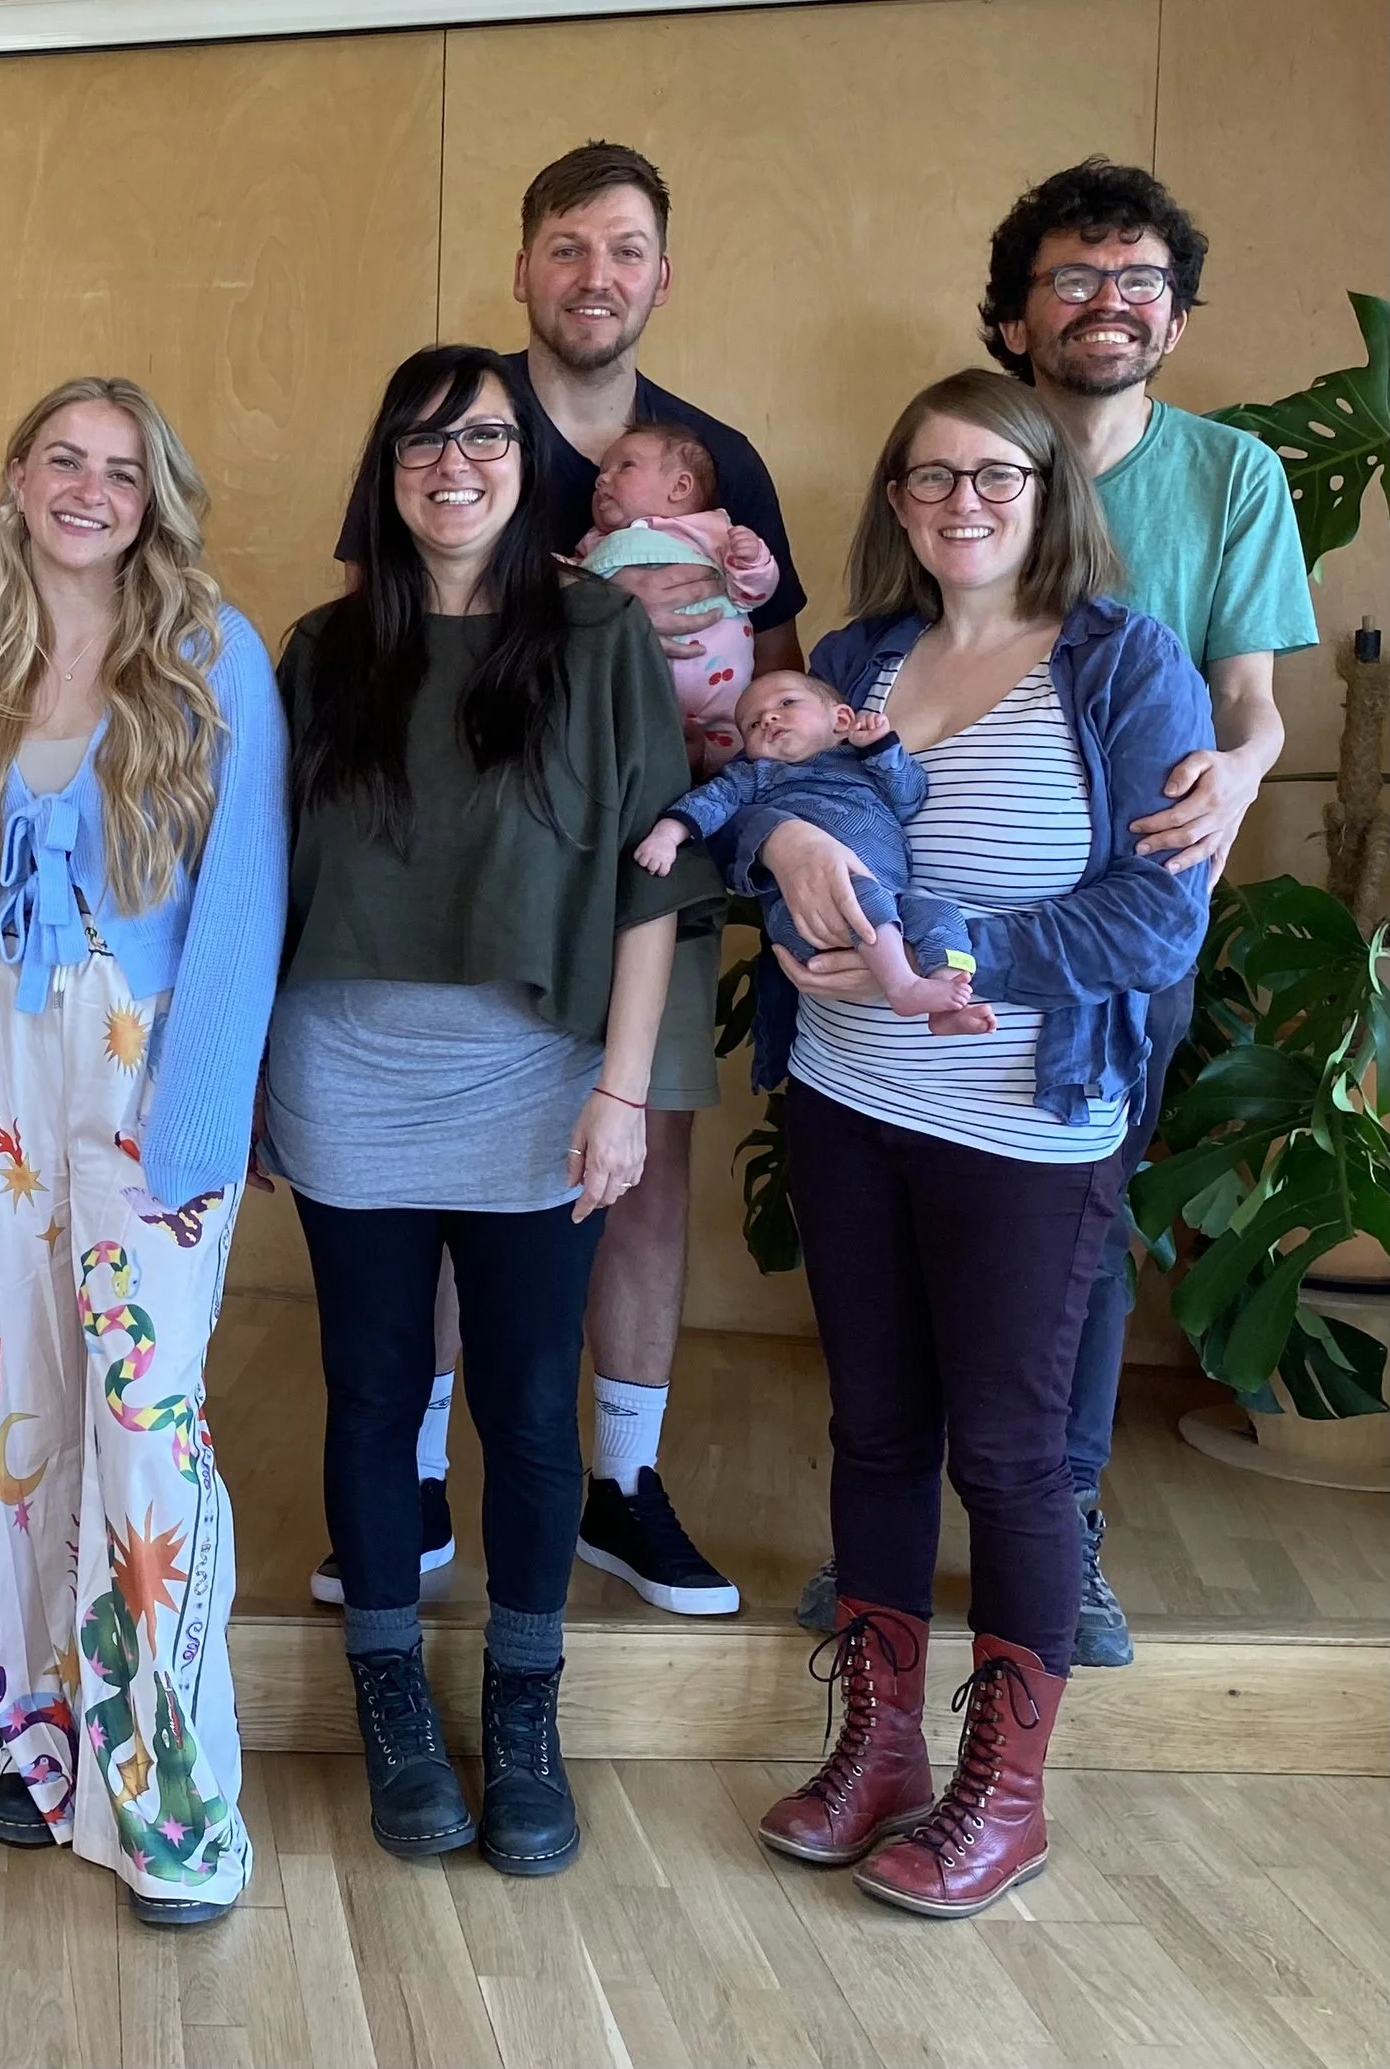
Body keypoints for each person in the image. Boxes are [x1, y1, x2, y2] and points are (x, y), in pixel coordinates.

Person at [793, 160, 1318, 1664]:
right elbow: (821, 771)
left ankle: (1056, 1533)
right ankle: (889, 1639)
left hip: (1111, 946)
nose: (1110, 304)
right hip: (876, 1053)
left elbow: (1248, 708)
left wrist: (1232, 785)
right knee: (894, 1380)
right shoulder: (880, 629)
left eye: (1142, 280)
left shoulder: (1213, 499)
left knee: (1064, 1263)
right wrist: (795, 859)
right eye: (1076, 278)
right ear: (1017, 317)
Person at [743, 370, 1209, 1920]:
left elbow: (1157, 918)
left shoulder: (1127, 666)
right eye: (932, 478)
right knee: (876, 1431)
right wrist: (788, 851)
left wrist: (968, 963)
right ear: (895, 501)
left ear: (1046, 494)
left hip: (1029, 1126)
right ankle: (877, 1753)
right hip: (849, 1101)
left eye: (996, 477)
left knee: (1010, 1456)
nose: (964, 504)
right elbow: (776, 815)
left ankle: (1002, 1797)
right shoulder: (863, 654)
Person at [317, 141, 802, 1617]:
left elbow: (777, 685)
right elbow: (373, 646)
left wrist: (706, 790)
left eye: (628, 250)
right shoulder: (454, 418)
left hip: (648, 866)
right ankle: (408, 1479)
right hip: (465, 897)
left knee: (633, 1182)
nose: (598, 276)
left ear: (665, 273)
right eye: (571, 248)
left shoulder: (718, 460)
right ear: (525, 266)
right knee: (462, 1182)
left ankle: (624, 1486)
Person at [272, 345, 721, 1875]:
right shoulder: (323, 652)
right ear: (384, 470)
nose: (451, 464)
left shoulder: (598, 634)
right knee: (374, 1394)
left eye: (481, 437)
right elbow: (256, 886)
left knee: (531, 1407)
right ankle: (393, 1698)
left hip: (538, 1080)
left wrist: (624, 1090)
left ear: (525, 464)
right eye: (419, 440)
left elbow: (651, 878)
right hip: (345, 1071)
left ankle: (523, 1707)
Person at [0, 376, 285, 1927]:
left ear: (157, 497)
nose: (88, 488)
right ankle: (38, 1734)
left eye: (122, 469)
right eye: (61, 460)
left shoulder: (214, 655)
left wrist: (202, 1111)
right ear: (16, 481)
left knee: (147, 1420)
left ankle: (173, 1798)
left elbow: (247, 895)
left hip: (154, 1063)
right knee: (6, 1397)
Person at [636, 673, 985, 1029]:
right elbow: (711, 801)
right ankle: (902, 986)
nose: (768, 719)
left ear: (842, 720)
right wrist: (667, 834)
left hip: (891, 899)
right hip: (808, 917)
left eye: (786, 704)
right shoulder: (756, 775)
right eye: (753, 724)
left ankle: (945, 997)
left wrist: (881, 746)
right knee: (854, 886)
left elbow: (910, 796)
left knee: (939, 914)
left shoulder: (862, 763)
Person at [576, 424, 780, 774]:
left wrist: (751, 560)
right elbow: (572, 589)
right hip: (637, 697)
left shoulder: (712, 531)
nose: (601, 480)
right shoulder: (595, 542)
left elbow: (753, 593)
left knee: (734, 769)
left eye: (624, 467)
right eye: (601, 472)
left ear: (680, 487)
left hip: (723, 692)